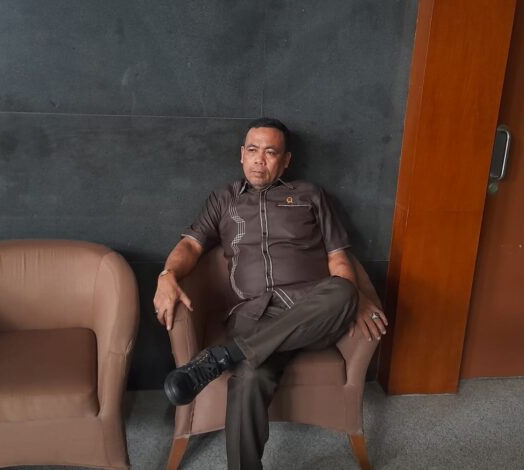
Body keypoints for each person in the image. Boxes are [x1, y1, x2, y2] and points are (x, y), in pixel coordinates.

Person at [153, 117, 388, 469]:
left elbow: (339, 258)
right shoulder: (223, 200)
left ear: (286, 160)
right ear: (241, 155)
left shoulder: (311, 195)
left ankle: (224, 356)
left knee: (342, 291)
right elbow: (190, 246)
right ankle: (237, 362)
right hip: (253, 317)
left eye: (270, 152)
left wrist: (355, 296)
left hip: (313, 311)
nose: (259, 159)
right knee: (250, 377)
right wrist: (167, 274)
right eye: (252, 150)